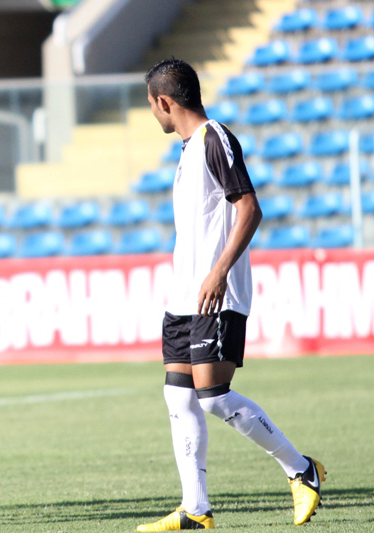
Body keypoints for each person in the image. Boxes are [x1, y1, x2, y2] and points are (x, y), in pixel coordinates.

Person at [137, 58, 325, 532]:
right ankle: (195, 509)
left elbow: (249, 206)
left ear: (165, 101)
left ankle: (301, 469)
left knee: (214, 397)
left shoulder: (213, 138)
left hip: (215, 295)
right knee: (178, 399)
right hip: (182, 298)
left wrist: (219, 272)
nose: (153, 114)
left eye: (151, 106)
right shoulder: (185, 150)